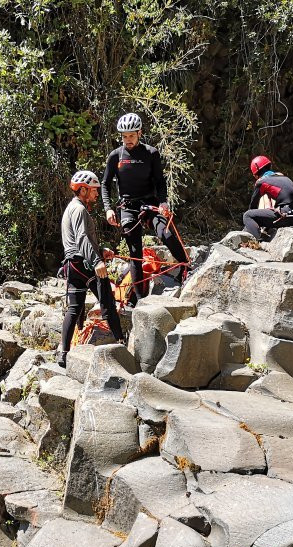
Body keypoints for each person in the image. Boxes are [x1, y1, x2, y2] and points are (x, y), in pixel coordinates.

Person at [102, 113, 188, 305]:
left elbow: (160, 182)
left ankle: (186, 267)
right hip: (128, 207)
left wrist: (163, 203)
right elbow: (105, 184)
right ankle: (139, 300)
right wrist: (108, 208)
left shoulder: (151, 153)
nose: (128, 140)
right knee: (135, 253)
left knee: (165, 232)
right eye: (124, 136)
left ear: (139, 133)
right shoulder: (115, 156)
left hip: (150, 204)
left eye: (131, 136)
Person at [57, 170, 125, 368]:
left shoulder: (72, 208)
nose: (97, 194)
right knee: (108, 303)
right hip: (87, 266)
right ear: (84, 189)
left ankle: (64, 353)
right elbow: (82, 238)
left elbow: (77, 241)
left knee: (74, 309)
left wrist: (100, 250)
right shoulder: (79, 210)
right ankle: (121, 344)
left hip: (72, 266)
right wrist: (96, 261)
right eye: (94, 190)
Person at [242, 155, 293, 240]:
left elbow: (252, 207)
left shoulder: (261, 182)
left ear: (255, 175)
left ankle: (258, 242)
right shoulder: (284, 178)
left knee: (247, 216)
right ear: (269, 166)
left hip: (285, 215)